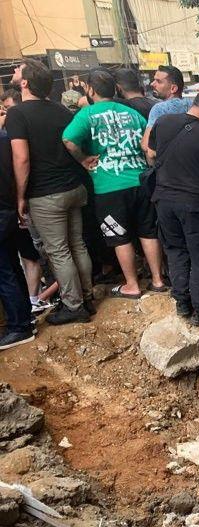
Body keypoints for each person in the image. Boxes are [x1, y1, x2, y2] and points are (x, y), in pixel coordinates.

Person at [62, 69, 166, 300]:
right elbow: (145, 143)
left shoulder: (87, 114)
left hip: (109, 185)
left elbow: (68, 140)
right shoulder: (130, 113)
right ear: (115, 89)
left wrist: (83, 159)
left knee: (120, 236)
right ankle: (158, 280)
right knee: (148, 231)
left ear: (89, 89)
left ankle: (132, 285)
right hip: (140, 180)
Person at [7, 60, 94, 326]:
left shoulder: (17, 114)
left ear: (25, 83)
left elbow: (21, 159)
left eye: (18, 70)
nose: (13, 73)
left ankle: (73, 305)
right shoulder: (61, 110)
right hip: (73, 188)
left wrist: (20, 196)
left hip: (45, 194)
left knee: (58, 251)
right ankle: (86, 297)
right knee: (77, 245)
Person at [148, 92, 199, 324]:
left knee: (176, 251)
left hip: (163, 201)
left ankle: (183, 303)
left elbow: (151, 152)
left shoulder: (163, 122)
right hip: (195, 204)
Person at [0, 102, 34, 349]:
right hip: (9, 208)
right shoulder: (5, 139)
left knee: (4, 272)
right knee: (12, 265)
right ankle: (25, 317)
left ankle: (19, 326)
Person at [143, 65, 191, 158]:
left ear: (173, 88)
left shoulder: (159, 109)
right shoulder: (193, 104)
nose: (152, 84)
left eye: (158, 81)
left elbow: (146, 145)